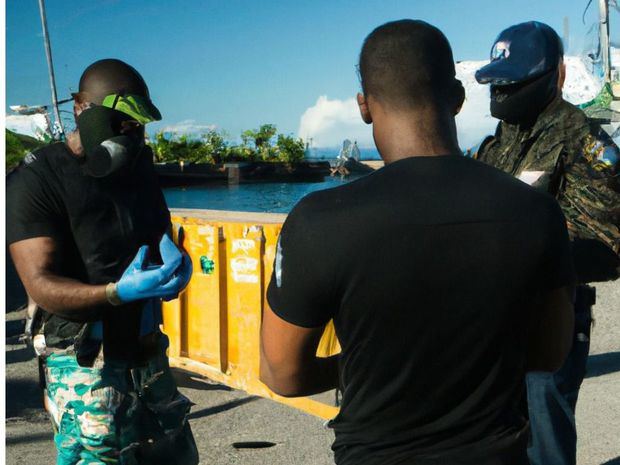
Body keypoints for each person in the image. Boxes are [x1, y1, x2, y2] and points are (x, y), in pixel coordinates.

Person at [260, 19, 575, 465]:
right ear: (458, 99)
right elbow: (549, 353)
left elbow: (281, 372)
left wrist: (358, 369)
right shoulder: (537, 213)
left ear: (364, 107)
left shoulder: (319, 222)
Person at [7, 59, 199, 465]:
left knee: (175, 456)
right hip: (84, 363)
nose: (132, 133)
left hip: (147, 352)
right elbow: (40, 283)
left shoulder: (139, 169)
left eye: (138, 124)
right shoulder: (36, 178)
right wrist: (115, 293)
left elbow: (162, 239)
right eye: (121, 122)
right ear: (81, 109)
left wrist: (179, 268)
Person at [472, 21, 620, 465]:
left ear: (556, 75)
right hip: (490, 319)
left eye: (515, 79)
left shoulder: (583, 140)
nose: (503, 90)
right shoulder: (492, 146)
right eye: (499, 80)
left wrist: (514, 253)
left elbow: (605, 245)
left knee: (545, 446)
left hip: (549, 318)